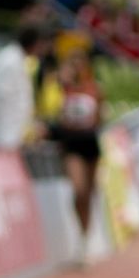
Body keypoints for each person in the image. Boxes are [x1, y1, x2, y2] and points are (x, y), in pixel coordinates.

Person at [47, 50, 104, 236]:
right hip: (71, 144)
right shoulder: (60, 89)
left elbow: (99, 119)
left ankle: (87, 234)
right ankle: (80, 231)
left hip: (89, 142)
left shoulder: (94, 89)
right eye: (74, 65)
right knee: (78, 189)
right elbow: (51, 110)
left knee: (89, 193)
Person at [0, 24, 50, 149]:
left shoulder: (17, 60)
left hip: (8, 136)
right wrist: (5, 140)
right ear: (36, 43)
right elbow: (3, 100)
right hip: (0, 138)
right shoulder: (10, 62)